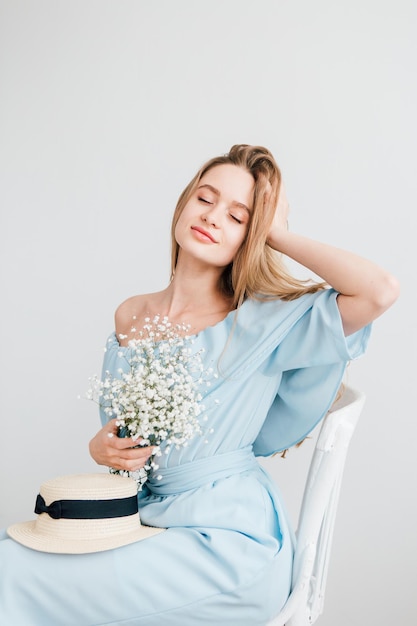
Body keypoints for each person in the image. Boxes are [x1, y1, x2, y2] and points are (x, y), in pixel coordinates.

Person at [0, 144, 399, 625]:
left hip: (228, 544)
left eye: (237, 216)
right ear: (184, 203)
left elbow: (379, 291)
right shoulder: (132, 314)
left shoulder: (261, 322)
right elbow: (126, 437)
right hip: (143, 523)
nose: (212, 217)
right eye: (205, 199)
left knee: (12, 574)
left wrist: (275, 232)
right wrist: (103, 448)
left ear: (251, 235)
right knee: (12, 556)